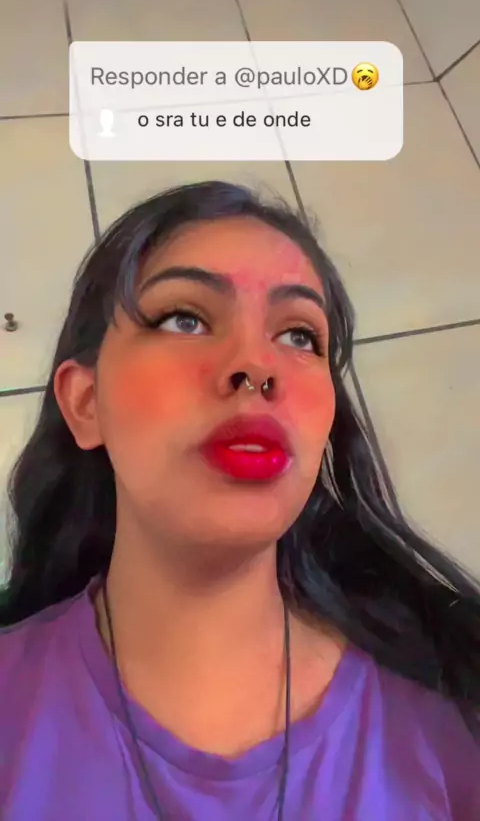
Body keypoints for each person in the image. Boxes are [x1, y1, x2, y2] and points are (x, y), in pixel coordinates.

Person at [1, 180, 479, 821]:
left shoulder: (453, 716)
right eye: (185, 319)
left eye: (300, 336)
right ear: (86, 403)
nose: (256, 365)